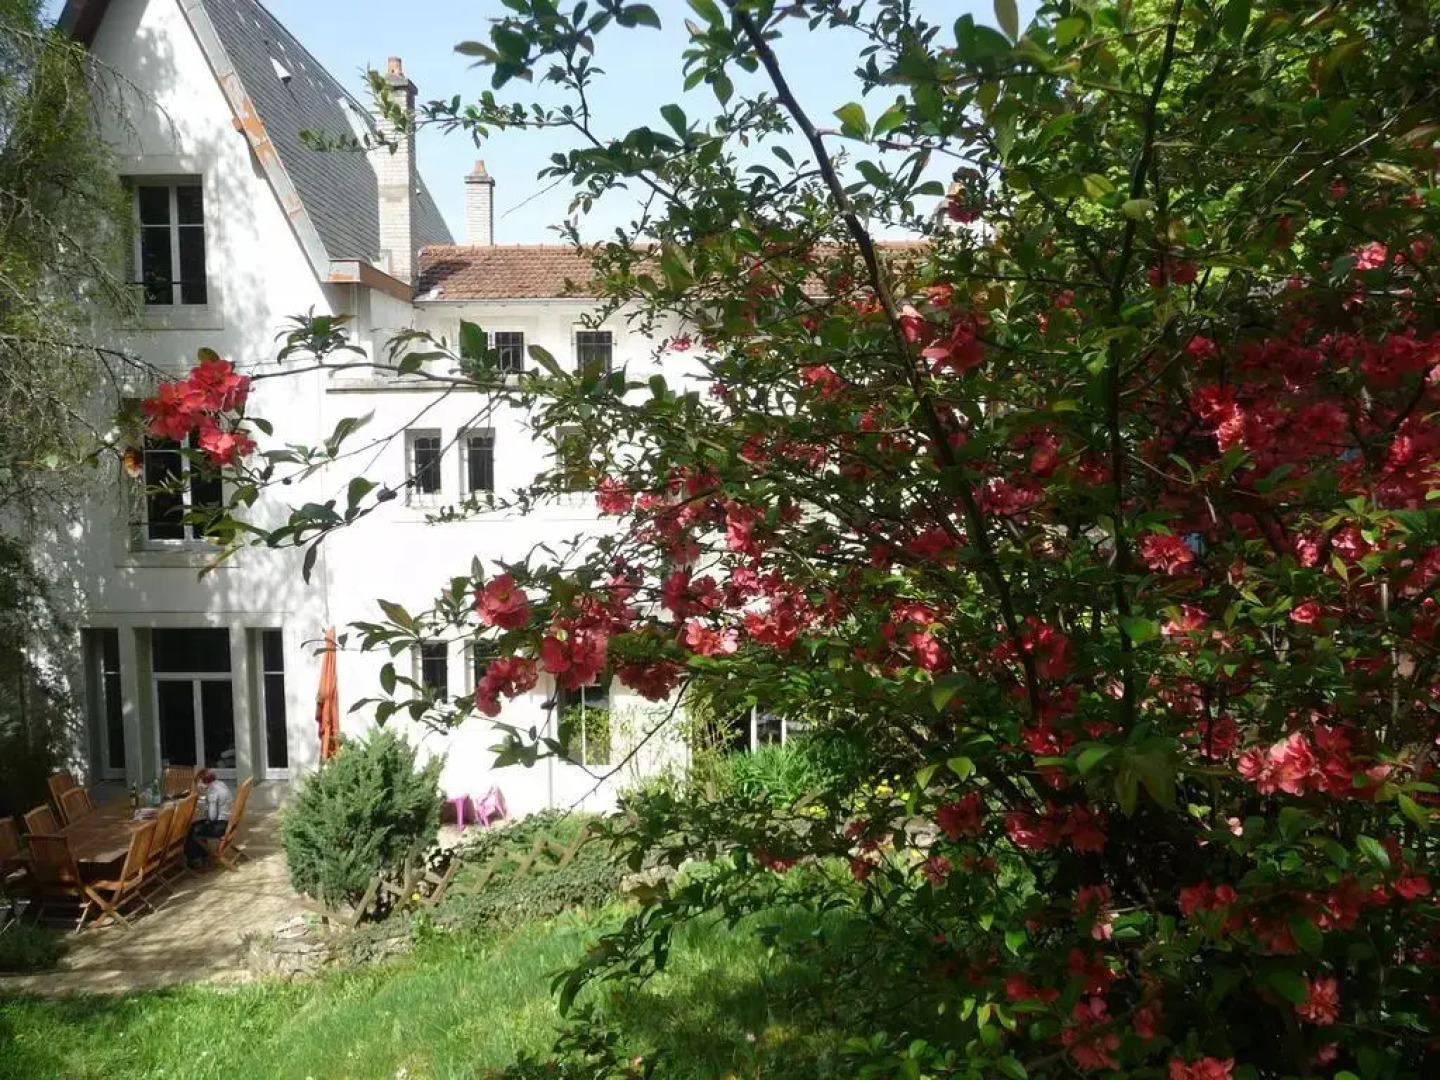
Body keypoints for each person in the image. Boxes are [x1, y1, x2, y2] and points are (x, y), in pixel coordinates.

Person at [186, 768, 233, 867]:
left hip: (220, 827)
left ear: (203, 782)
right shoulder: (220, 784)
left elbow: (212, 817)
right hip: (229, 822)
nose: (198, 786)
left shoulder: (213, 792)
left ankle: (195, 859)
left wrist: (203, 810)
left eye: (198, 782)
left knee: (190, 829)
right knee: (195, 825)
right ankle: (204, 855)